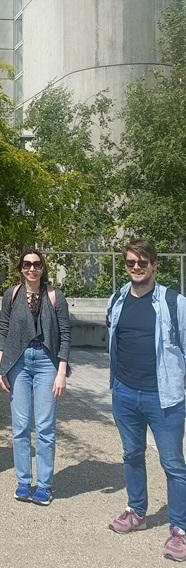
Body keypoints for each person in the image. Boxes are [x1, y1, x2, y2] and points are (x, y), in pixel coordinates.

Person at [106, 238, 186, 562]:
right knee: (132, 454)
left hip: (163, 398)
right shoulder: (116, 299)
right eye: (130, 263)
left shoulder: (173, 301)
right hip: (125, 394)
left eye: (142, 262)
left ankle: (179, 529)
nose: (136, 268)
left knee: (173, 465)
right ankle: (136, 510)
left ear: (154, 264)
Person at [0, 249, 71, 506]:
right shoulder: (12, 294)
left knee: (45, 426)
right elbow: (4, 330)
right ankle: (23, 480)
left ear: (43, 268)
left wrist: (61, 371)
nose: (32, 269)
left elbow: (65, 335)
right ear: (20, 268)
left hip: (46, 362)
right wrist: (1, 366)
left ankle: (44, 485)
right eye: (27, 264)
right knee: (20, 426)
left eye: (37, 264)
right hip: (18, 362)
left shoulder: (55, 296)